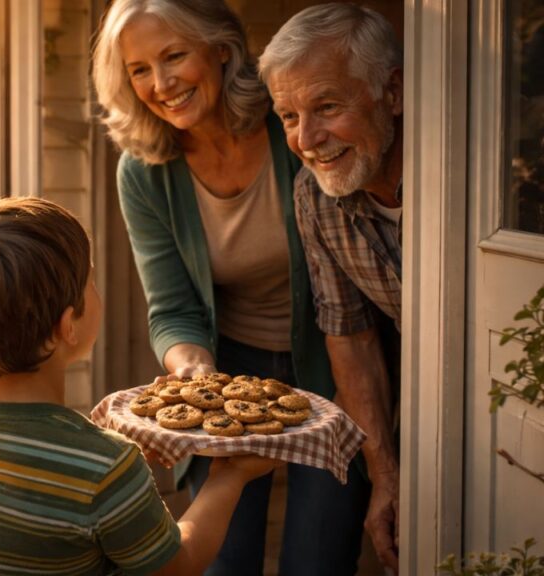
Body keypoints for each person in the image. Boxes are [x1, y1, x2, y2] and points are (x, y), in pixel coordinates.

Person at [91, 1, 369, 574]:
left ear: (220, 49)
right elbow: (171, 307)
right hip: (227, 370)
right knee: (223, 559)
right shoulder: (143, 172)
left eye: (174, 56)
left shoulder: (288, 125)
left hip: (332, 362)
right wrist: (191, 370)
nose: (160, 84)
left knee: (318, 557)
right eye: (139, 69)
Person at [0, 197, 281, 575]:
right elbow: (177, 566)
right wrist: (228, 478)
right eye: (91, 281)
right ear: (67, 325)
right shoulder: (107, 467)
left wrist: (104, 444)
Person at [258, 3, 404, 572]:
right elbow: (350, 336)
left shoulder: (466, 167)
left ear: (391, 92)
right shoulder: (313, 196)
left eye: (326, 106)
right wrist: (386, 478)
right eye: (289, 116)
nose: (307, 138)